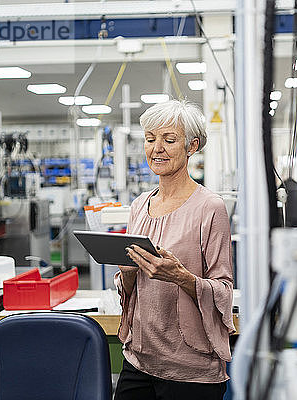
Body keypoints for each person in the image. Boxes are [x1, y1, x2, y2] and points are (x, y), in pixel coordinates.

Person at [113, 99, 235, 400]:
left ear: (192, 146)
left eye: (169, 140)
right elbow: (130, 287)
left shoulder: (210, 207)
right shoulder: (139, 207)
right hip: (139, 360)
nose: (157, 148)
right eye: (150, 139)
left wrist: (182, 277)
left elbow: (224, 290)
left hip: (190, 371)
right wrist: (127, 273)